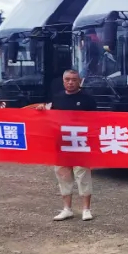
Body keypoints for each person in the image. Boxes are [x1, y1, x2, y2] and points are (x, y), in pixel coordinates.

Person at [39, 69, 98, 221]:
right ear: (63, 81)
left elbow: (96, 121)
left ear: (79, 81)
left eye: (74, 79)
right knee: (63, 177)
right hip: (62, 144)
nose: (70, 82)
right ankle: (67, 209)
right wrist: (41, 111)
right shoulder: (57, 98)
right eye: (67, 79)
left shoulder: (88, 99)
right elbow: (50, 120)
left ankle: (86, 209)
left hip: (81, 144)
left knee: (83, 176)